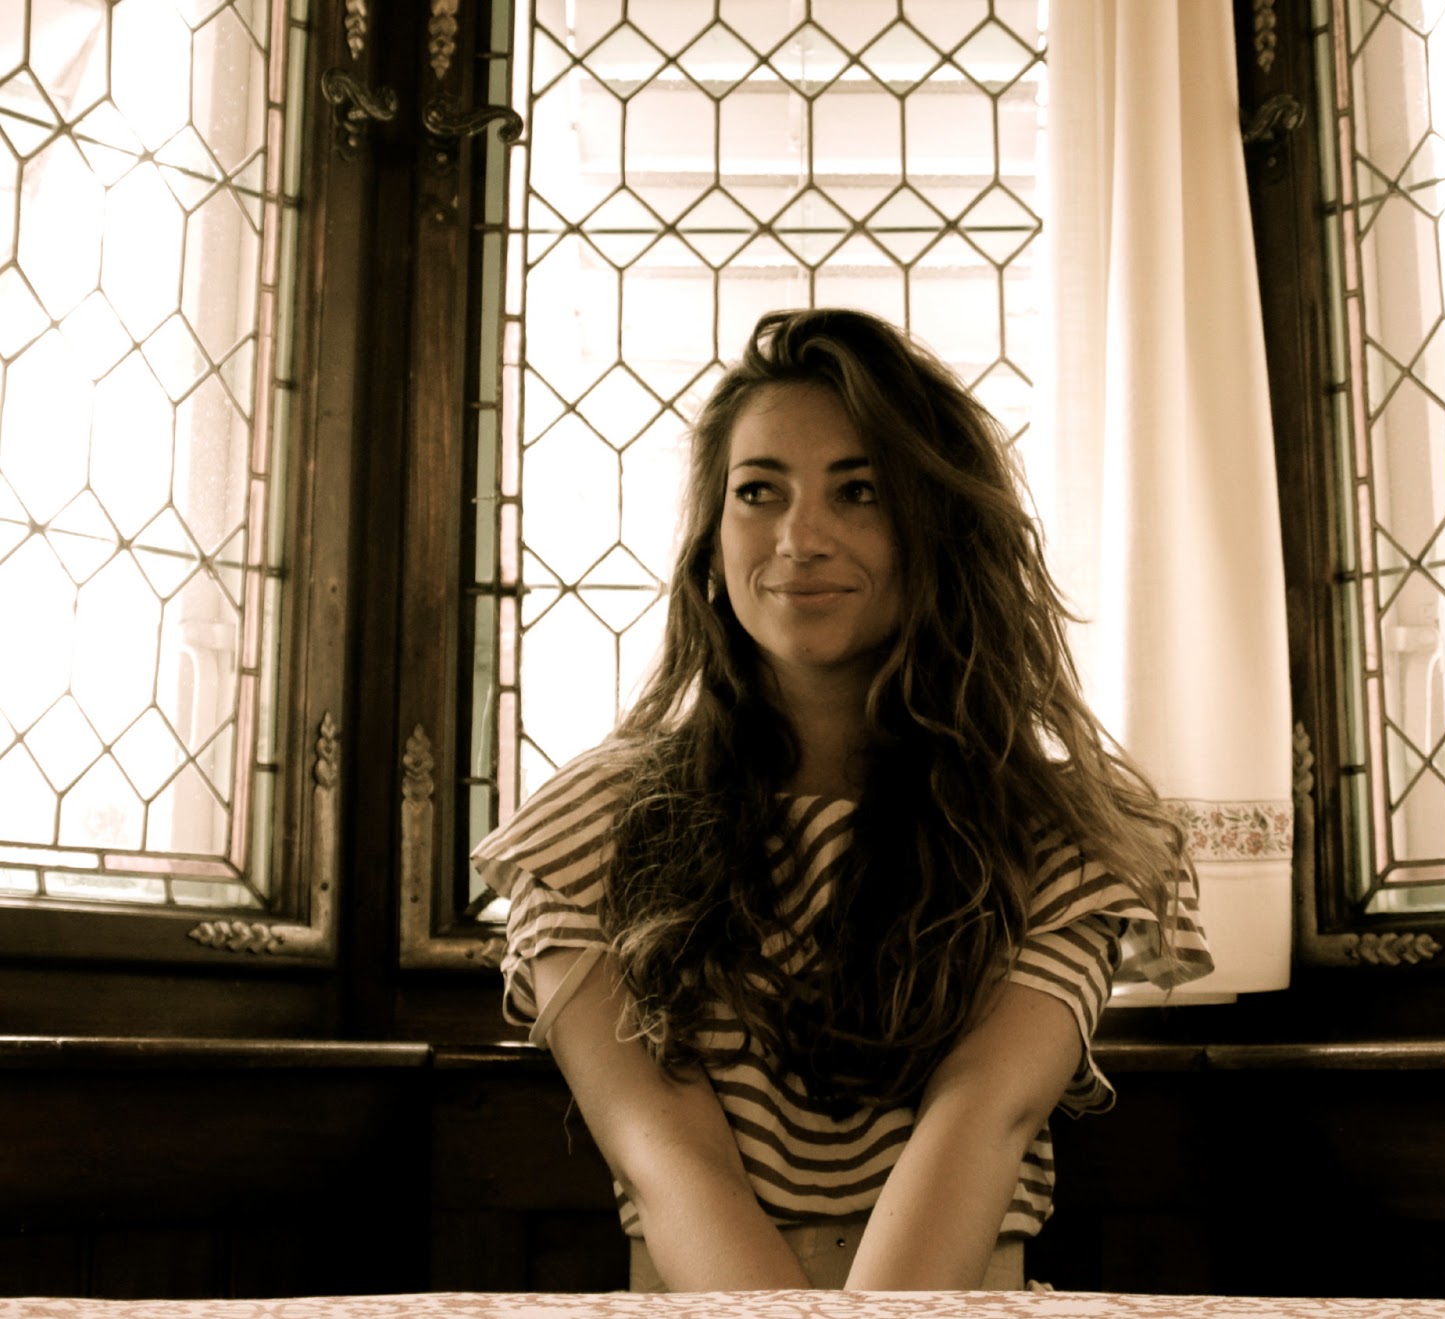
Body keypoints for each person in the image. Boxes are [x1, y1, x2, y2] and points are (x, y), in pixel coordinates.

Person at [472, 307, 1212, 1292]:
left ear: (937, 528)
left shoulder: (1060, 834)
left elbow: (981, 1117)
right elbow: (664, 1153)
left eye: (858, 491)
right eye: (758, 491)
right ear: (710, 538)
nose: (800, 537)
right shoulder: (588, 830)